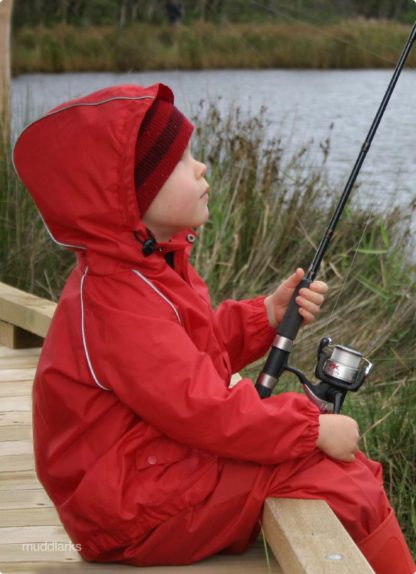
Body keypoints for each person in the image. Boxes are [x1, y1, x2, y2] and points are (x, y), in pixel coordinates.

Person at [13, 83, 415, 573]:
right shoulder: (118, 299)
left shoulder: (147, 269)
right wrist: (311, 429)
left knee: (344, 472)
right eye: (182, 161)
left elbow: (185, 359)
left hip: (139, 478)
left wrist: (265, 314)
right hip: (127, 511)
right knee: (345, 481)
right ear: (131, 197)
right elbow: (203, 408)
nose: (201, 167)